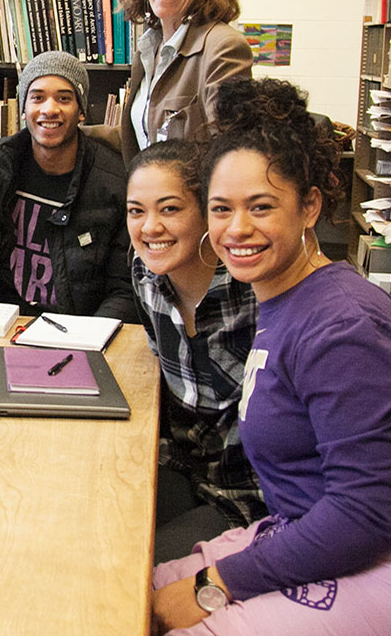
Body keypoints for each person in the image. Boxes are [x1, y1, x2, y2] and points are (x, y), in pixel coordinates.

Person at [150, 78, 391, 636]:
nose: (237, 229)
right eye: (221, 209)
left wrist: (215, 586)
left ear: (309, 206)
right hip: (324, 530)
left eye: (261, 207)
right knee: (129, 587)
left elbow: (368, 515)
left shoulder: (340, 323)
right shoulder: (287, 298)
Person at [124, 140, 266, 565]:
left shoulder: (254, 285)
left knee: (134, 574)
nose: (150, 228)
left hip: (252, 499)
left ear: (207, 210)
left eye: (169, 209)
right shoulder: (146, 275)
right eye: (136, 211)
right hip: (185, 470)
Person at [0, 51, 136, 320]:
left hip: (80, 328)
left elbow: (124, 288)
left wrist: (87, 339)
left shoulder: (113, 182)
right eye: (37, 97)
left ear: (81, 111)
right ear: (24, 108)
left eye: (64, 98)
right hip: (8, 321)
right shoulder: (0, 163)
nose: (49, 109)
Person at [86, 0, 252, 162]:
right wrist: (68, 131)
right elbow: (147, 134)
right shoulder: (150, 48)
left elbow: (231, 152)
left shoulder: (223, 48)